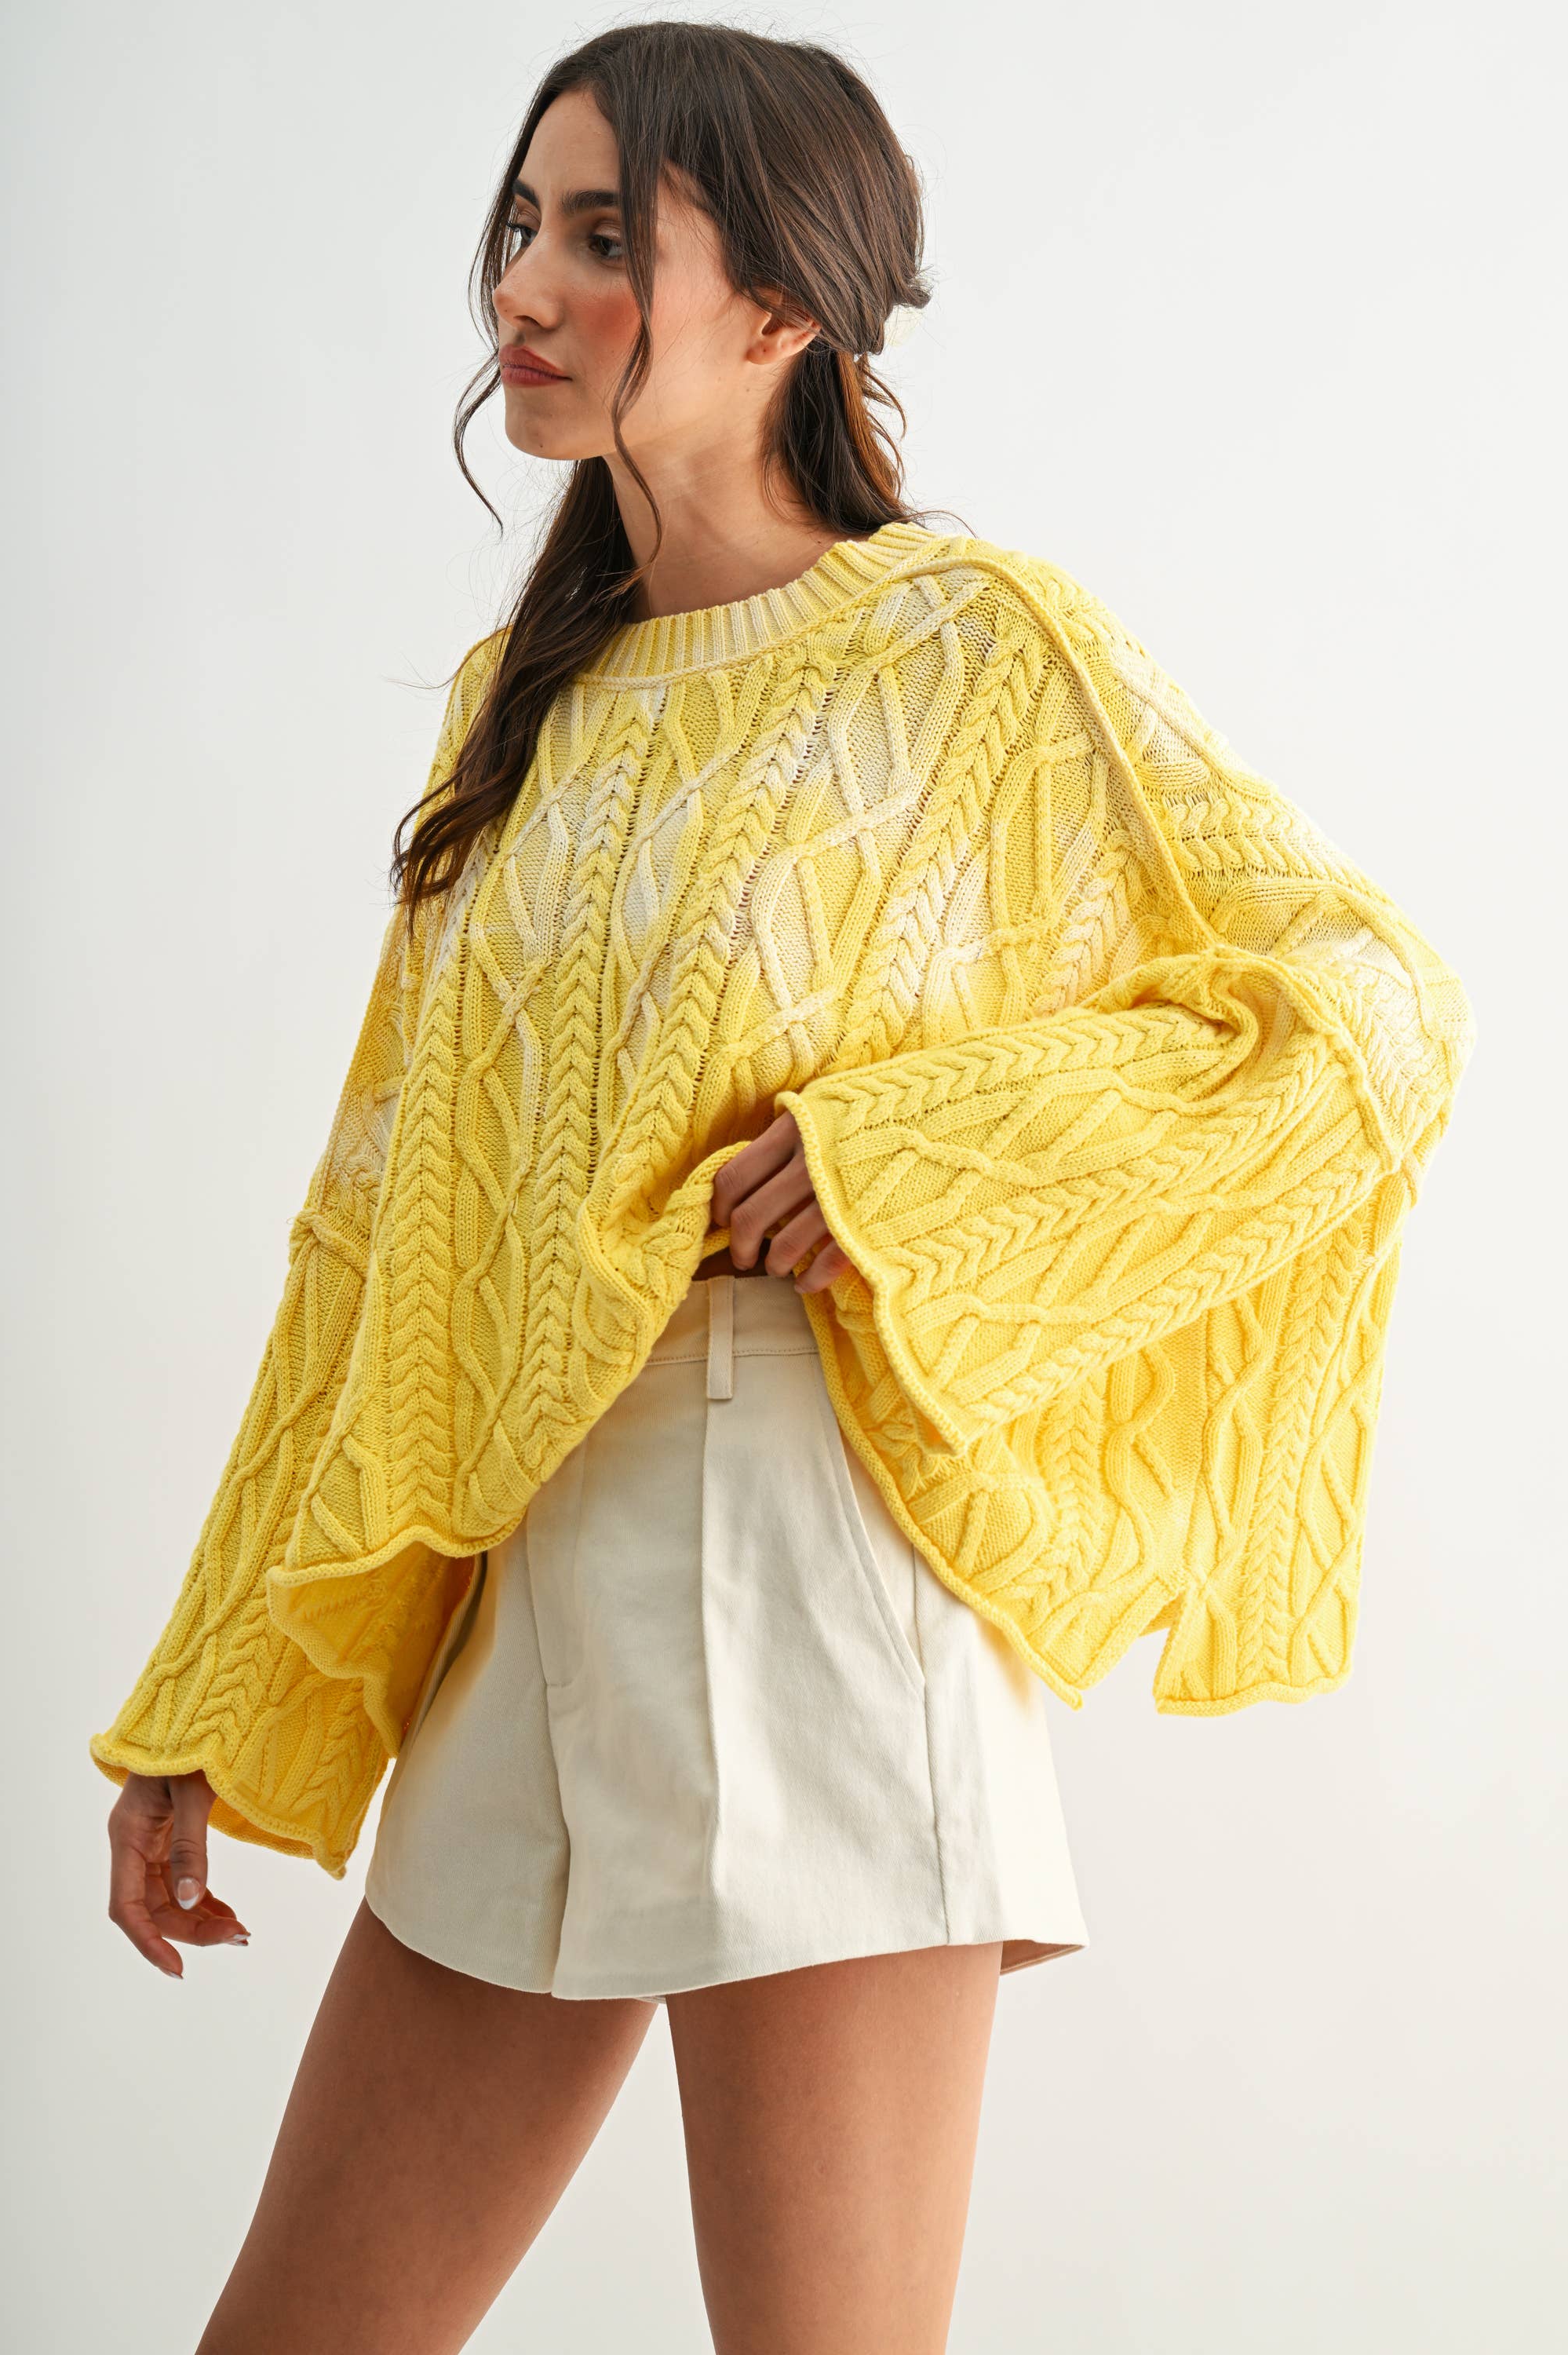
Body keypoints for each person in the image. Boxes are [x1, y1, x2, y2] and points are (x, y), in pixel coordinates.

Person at [89, 20, 1472, 2355]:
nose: (525, 285)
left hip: (817, 1587)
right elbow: (376, 1231)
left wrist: (919, 1163)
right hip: (532, 1592)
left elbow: (1370, 1001)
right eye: (519, 226)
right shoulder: (522, 707)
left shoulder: (972, 650)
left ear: (786, 306)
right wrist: (208, 1683)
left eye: (603, 234)